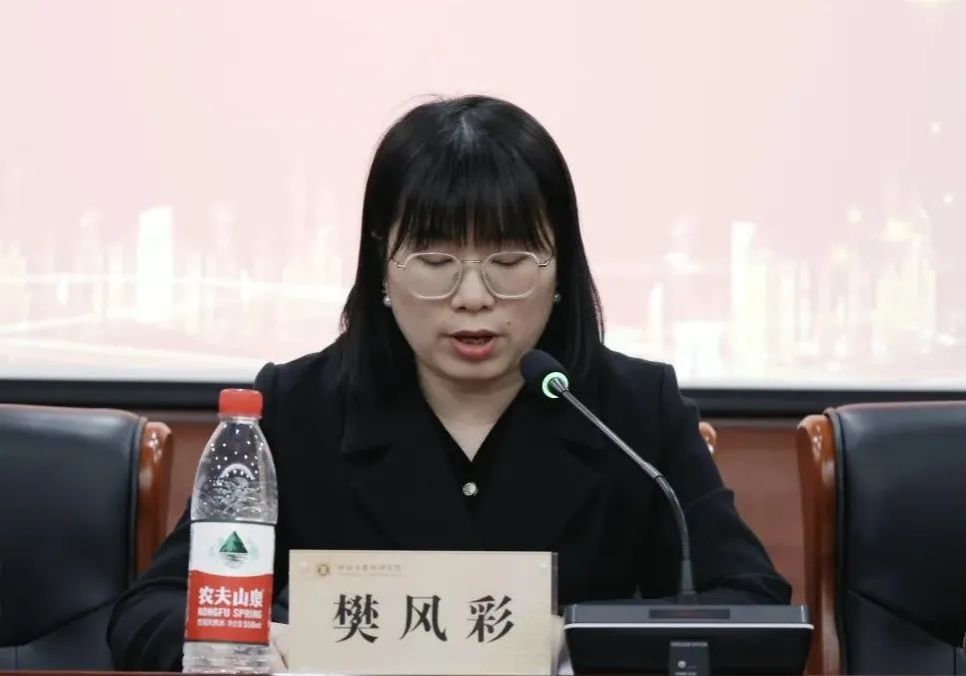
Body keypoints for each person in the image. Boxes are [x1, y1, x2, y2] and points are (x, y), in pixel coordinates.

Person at [108, 95, 790, 670]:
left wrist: (579, 646)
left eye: (509, 261)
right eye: (435, 262)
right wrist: (255, 645)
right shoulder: (296, 409)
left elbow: (754, 606)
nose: (472, 297)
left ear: (560, 270)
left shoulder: (632, 411)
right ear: (381, 267)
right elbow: (150, 612)